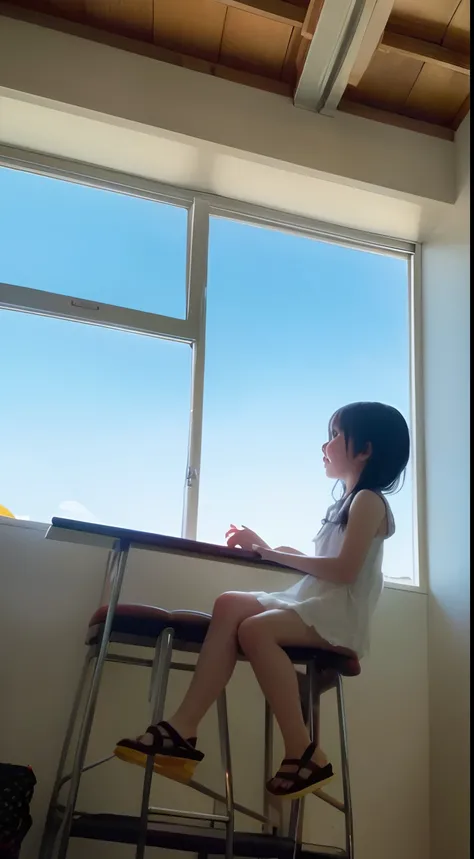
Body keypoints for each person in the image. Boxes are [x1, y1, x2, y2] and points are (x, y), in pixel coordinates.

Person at [114, 401, 410, 800]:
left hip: (339, 616)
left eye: (335, 435)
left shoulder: (368, 500)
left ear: (365, 450)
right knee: (229, 603)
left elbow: (344, 571)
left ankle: (303, 750)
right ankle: (183, 728)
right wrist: (267, 547)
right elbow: (319, 565)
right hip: (317, 604)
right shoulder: (346, 503)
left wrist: (270, 553)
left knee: (255, 630)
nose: (325, 444)